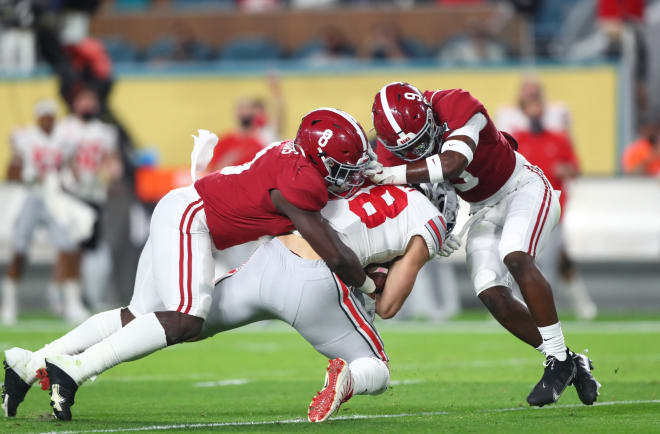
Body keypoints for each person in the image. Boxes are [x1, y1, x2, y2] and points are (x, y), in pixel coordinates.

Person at [2, 108, 377, 420]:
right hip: (191, 217)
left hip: (186, 209)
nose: (352, 176)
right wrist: (370, 285)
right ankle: (75, 368)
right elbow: (331, 250)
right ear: (317, 158)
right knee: (186, 317)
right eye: (346, 167)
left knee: (136, 316)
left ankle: (28, 363)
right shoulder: (301, 179)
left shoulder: (295, 158)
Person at [367, 82, 600, 407]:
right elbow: (411, 197)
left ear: (427, 114)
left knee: (515, 255)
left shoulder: (456, 104)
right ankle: (571, 361)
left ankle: (558, 363)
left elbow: (451, 163)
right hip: (481, 208)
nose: (419, 150)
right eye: (410, 147)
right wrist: (436, 226)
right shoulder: (389, 152)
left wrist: (390, 175)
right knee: (490, 292)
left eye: (423, 139)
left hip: (523, 188)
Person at [199, 182, 456, 422]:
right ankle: (350, 380)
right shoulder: (428, 218)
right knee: (376, 368)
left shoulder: (367, 179)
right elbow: (386, 307)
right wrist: (410, 258)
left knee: (187, 321)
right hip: (314, 279)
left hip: (273, 253)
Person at [506, 80, 598, 320]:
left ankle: (540, 308)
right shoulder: (516, 139)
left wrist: (564, 169)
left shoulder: (558, 139)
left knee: (545, 259)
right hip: (525, 209)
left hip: (553, 209)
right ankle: (520, 306)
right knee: (526, 256)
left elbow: (576, 169)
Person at [1, 99, 89, 325]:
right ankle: (9, 303)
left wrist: (69, 181)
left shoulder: (62, 140)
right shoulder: (26, 138)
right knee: (20, 248)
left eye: (51, 116)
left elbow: (70, 167)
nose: (48, 120)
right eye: (44, 116)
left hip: (54, 198)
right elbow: (10, 172)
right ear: (38, 118)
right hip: (32, 196)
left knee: (68, 246)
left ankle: (72, 303)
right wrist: (28, 176)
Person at [58, 89, 122, 313]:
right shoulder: (65, 129)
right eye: (83, 100)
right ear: (75, 103)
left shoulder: (104, 131)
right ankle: (66, 298)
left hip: (94, 194)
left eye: (90, 100)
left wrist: (110, 175)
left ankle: (87, 297)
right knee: (69, 246)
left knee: (91, 246)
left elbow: (112, 161)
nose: (87, 105)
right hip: (70, 195)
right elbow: (60, 160)